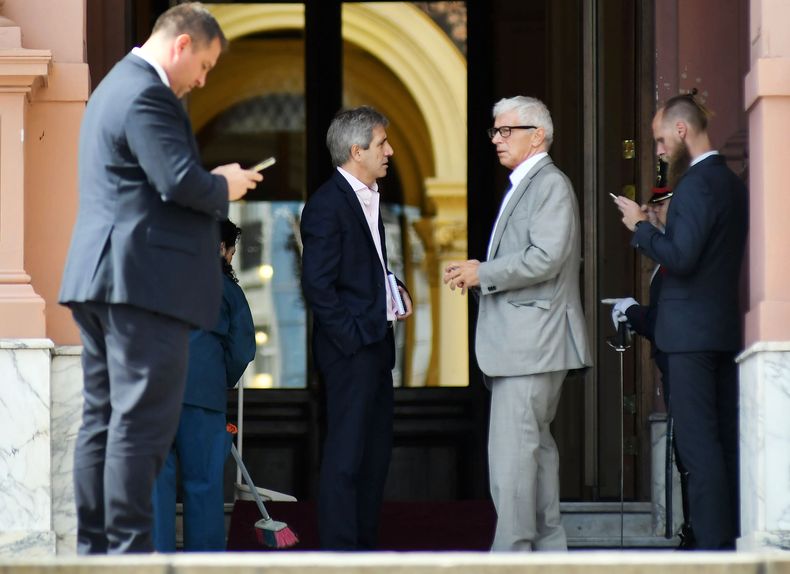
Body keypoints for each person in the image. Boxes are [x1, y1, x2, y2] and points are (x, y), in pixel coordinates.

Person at [58, 3, 262, 554]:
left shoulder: (111, 88)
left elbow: (145, 186)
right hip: (137, 284)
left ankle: (97, 549)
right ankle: (124, 554)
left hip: (100, 277)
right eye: (206, 65)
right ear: (182, 45)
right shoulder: (148, 93)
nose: (202, 80)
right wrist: (223, 184)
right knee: (138, 423)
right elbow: (176, 182)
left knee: (103, 420)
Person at [443, 96, 591, 551]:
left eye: (507, 131)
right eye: (495, 131)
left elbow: (546, 257)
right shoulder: (531, 184)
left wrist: (482, 272)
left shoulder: (548, 184)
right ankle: (547, 552)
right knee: (536, 456)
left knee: (512, 462)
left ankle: (513, 556)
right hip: (529, 344)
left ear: (538, 135)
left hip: (531, 345)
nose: (497, 139)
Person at [613, 93, 748, 549]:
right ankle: (727, 542)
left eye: (659, 140)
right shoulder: (730, 182)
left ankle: (712, 551)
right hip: (721, 332)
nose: (658, 150)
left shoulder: (694, 183)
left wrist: (640, 227)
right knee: (723, 444)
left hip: (689, 340)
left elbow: (682, 257)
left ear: (681, 130)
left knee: (697, 450)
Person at [300, 106, 413, 550]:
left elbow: (362, 271)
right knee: (346, 459)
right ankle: (340, 554)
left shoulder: (368, 195)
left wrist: (391, 290)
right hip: (351, 351)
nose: (390, 151)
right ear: (356, 150)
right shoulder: (328, 204)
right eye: (382, 143)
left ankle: (364, 549)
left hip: (374, 346)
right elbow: (318, 286)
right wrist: (352, 337)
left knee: (374, 456)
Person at [152, 218, 256, 552]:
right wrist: (220, 377)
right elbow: (243, 348)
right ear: (219, 249)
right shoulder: (228, 290)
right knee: (204, 487)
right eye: (230, 251)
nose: (231, 259)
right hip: (203, 397)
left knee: (155, 488)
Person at [610, 185, 696, 549]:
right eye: (651, 207)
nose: (653, 214)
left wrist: (632, 312)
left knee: (692, 457)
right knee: (686, 457)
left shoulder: (677, 257)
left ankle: (697, 534)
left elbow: (666, 321)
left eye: (659, 207)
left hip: (688, 365)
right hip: (677, 365)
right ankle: (693, 530)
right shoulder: (667, 258)